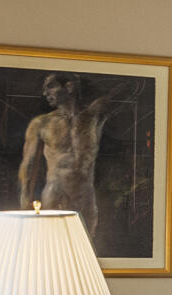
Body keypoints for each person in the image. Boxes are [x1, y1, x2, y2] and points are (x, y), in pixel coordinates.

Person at [20, 73, 109, 241]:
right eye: (44, 89)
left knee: (85, 251)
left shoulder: (93, 117)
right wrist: (25, 201)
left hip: (85, 195)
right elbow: (28, 166)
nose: (45, 93)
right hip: (55, 192)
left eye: (51, 87)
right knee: (51, 248)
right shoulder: (42, 123)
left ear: (69, 87)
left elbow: (129, 89)